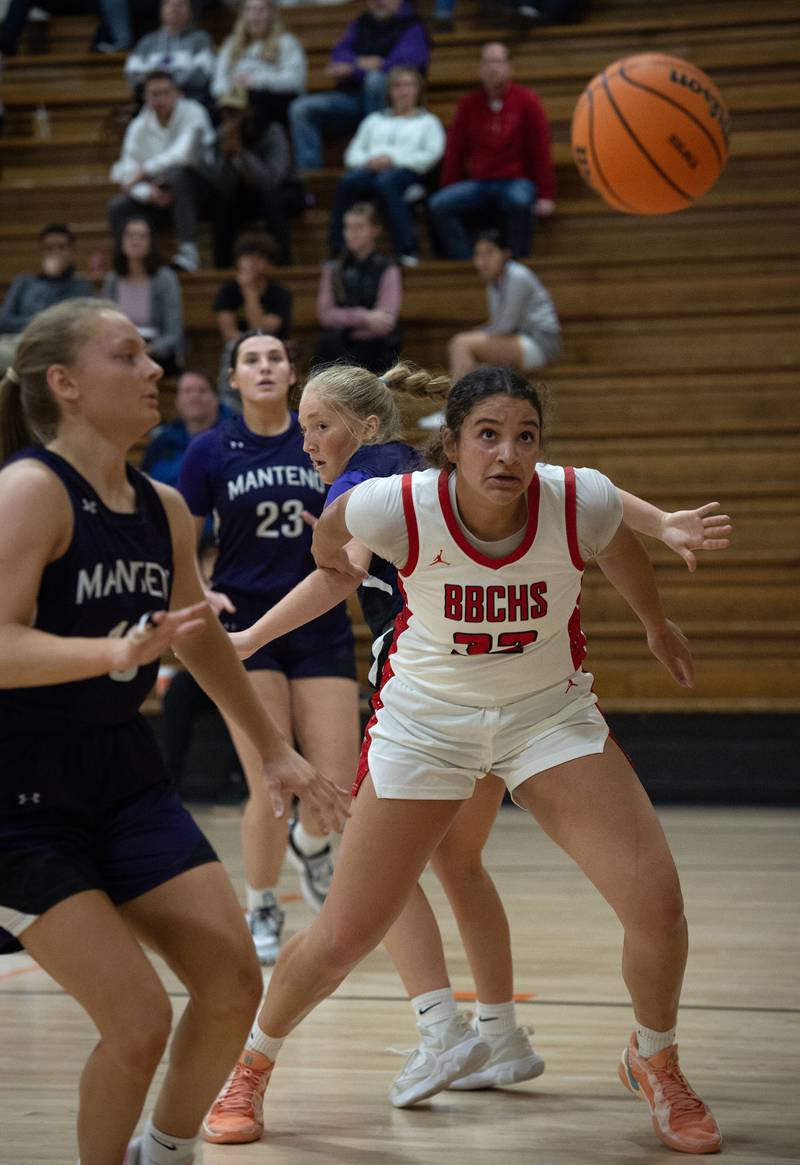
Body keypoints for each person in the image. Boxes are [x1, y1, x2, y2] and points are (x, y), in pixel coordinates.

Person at [202, 363, 726, 1155]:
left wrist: (654, 623)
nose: (507, 453)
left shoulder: (575, 497)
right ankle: (251, 1062)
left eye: (525, 437)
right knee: (346, 929)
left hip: (547, 716)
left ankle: (655, 1058)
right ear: (449, 445)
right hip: (426, 724)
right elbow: (333, 541)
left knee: (657, 906)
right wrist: (319, 562)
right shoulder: (397, 503)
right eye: (487, 435)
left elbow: (618, 539)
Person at [0, 298, 350, 1165]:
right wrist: (111, 649)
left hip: (123, 777)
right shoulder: (30, 490)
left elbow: (196, 632)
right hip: (19, 796)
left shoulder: (161, 505)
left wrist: (275, 749)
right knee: (137, 1022)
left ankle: (166, 1148)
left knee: (233, 984)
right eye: (129, 355)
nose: (156, 369)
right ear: (67, 384)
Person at [177, 331, 361, 964]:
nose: (263, 366)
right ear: (234, 378)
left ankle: (310, 849)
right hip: (246, 629)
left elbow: (359, 515)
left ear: (291, 374)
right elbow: (182, 540)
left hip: (318, 620)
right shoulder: (209, 450)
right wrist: (201, 589)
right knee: (270, 781)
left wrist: (338, 532)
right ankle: (260, 901)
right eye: (250, 358)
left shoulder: (320, 436)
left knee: (338, 782)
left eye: (274, 357)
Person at [428, 42, 556, 260]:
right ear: (480, 69)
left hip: (515, 180)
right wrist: (449, 186)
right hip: (480, 182)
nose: (492, 68)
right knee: (439, 204)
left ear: (509, 67)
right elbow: (455, 152)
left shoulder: (527, 101)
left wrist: (546, 194)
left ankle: (518, 263)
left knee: (519, 201)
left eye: (498, 62)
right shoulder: (468, 105)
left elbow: (541, 149)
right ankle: (470, 262)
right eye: (487, 62)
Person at [288, 0, 429, 175]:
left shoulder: (412, 26)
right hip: (351, 99)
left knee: (376, 81)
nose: (377, 2)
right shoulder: (362, 23)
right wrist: (366, 65)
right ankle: (312, 180)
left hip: (390, 107)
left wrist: (360, 68)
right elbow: (339, 55)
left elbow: (406, 65)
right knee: (302, 108)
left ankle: (374, 161)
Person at [329, 65, 445, 266]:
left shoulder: (428, 122)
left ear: (418, 90)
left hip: (409, 172)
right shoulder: (374, 120)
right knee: (348, 182)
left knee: (387, 184)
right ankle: (337, 248)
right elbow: (352, 153)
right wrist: (369, 161)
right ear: (390, 91)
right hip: (371, 169)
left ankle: (407, 250)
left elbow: (431, 155)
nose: (403, 91)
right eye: (398, 86)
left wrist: (394, 161)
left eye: (409, 85)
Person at [108, 70, 215, 274]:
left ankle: (188, 251)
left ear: (177, 93)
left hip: (201, 191)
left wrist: (145, 170)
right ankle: (129, 264)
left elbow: (184, 154)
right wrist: (149, 193)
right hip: (159, 194)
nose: (161, 99)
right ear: (146, 98)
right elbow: (127, 171)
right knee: (118, 206)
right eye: (155, 94)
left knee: (178, 174)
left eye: (166, 92)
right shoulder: (139, 126)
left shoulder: (194, 112)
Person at [448, 228, 560, 381]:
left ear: (506, 253)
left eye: (489, 253)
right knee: (471, 350)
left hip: (540, 342)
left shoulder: (518, 276)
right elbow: (498, 324)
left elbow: (505, 326)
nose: (482, 261)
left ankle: (456, 403)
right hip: (519, 337)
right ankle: (468, 402)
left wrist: (479, 334)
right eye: (478, 254)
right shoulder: (494, 282)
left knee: (461, 344)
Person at [315, 201, 402, 373]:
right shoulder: (333, 268)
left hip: (375, 347)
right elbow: (325, 314)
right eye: (348, 228)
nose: (351, 234)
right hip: (339, 345)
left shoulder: (388, 268)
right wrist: (365, 318)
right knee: (327, 344)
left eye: (359, 227)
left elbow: (386, 320)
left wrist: (346, 321)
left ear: (375, 230)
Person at [210, 90, 293, 269]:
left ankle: (285, 264)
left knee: (272, 199)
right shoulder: (220, 135)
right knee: (222, 202)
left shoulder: (272, 132)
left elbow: (272, 180)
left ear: (249, 111)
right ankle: (222, 267)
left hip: (276, 194)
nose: (228, 118)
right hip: (238, 197)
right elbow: (220, 184)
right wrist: (226, 155)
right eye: (224, 113)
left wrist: (241, 152)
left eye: (234, 112)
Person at [0, 224, 93, 376]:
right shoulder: (24, 281)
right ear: (42, 251)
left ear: (71, 251)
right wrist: (39, 323)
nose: (55, 253)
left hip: (55, 347)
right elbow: (4, 321)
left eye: (61, 247)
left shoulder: (80, 285)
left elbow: (68, 325)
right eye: (49, 248)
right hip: (17, 342)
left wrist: (55, 279)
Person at [212, 233, 292, 401]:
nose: (253, 264)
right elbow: (229, 334)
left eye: (260, 258)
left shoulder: (280, 293)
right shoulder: (228, 291)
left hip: (273, 349)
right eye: (248, 257)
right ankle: (230, 404)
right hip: (239, 351)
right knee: (233, 348)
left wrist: (250, 292)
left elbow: (261, 331)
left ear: (270, 264)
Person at [101, 215, 185, 376]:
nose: (136, 241)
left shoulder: (165, 278)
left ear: (151, 242)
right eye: (130, 235)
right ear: (121, 241)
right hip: (122, 348)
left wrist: (146, 350)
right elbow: (105, 327)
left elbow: (174, 333)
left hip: (156, 350)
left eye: (142, 236)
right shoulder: (112, 280)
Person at [212, 0, 307, 131]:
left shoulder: (287, 42)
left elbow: (295, 80)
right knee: (216, 108)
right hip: (236, 99)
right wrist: (227, 90)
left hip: (276, 99)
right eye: (249, 10)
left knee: (254, 99)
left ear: (271, 14)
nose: (254, 15)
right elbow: (218, 81)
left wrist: (255, 81)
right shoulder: (231, 44)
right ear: (242, 15)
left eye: (261, 10)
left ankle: (235, 142)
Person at [141, 368, 232, 487]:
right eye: (188, 391)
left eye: (202, 390)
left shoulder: (235, 437)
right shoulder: (161, 441)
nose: (195, 396)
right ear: (177, 401)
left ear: (216, 398)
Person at [124, 0, 215, 106]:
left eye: (180, 5)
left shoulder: (200, 39)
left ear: (190, 10)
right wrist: (160, 90)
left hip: (190, 102)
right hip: (151, 105)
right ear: (161, 9)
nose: (174, 9)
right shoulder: (147, 42)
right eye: (169, 4)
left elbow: (201, 75)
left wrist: (167, 88)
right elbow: (132, 73)